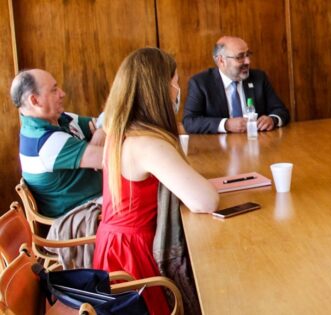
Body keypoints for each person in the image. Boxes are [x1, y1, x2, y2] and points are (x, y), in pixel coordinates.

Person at [93, 47, 219, 314]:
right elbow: (205, 200)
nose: (177, 91)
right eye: (174, 82)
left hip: (112, 246)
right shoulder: (147, 143)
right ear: (158, 89)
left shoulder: (120, 133)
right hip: (134, 256)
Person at [10, 69, 104, 218]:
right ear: (35, 100)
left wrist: (100, 131)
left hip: (97, 203)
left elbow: (105, 121)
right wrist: (103, 130)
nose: (62, 93)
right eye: (54, 90)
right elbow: (112, 158)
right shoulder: (45, 142)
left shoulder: (61, 119)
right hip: (82, 218)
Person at [183, 35, 290, 134]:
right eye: (240, 57)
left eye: (248, 55)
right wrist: (226, 124)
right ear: (221, 61)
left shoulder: (259, 78)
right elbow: (189, 121)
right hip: (218, 150)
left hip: (257, 144)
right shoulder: (201, 83)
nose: (248, 61)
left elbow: (281, 111)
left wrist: (273, 120)